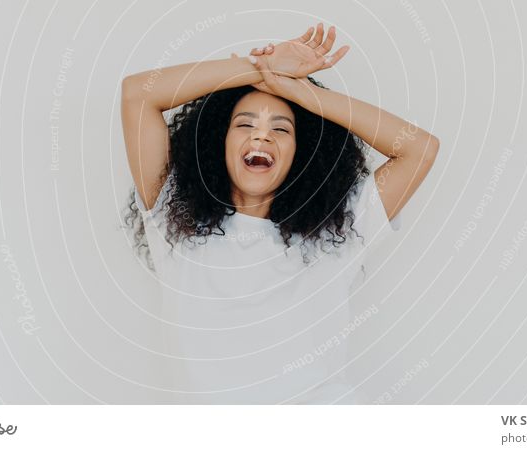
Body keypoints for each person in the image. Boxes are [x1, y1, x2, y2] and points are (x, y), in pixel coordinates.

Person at [120, 23, 439, 404]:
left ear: (298, 154)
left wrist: (300, 91)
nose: (262, 136)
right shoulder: (176, 223)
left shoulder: (337, 228)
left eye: (281, 128)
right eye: (245, 125)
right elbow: (138, 94)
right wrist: (263, 69)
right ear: (218, 145)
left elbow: (418, 148)